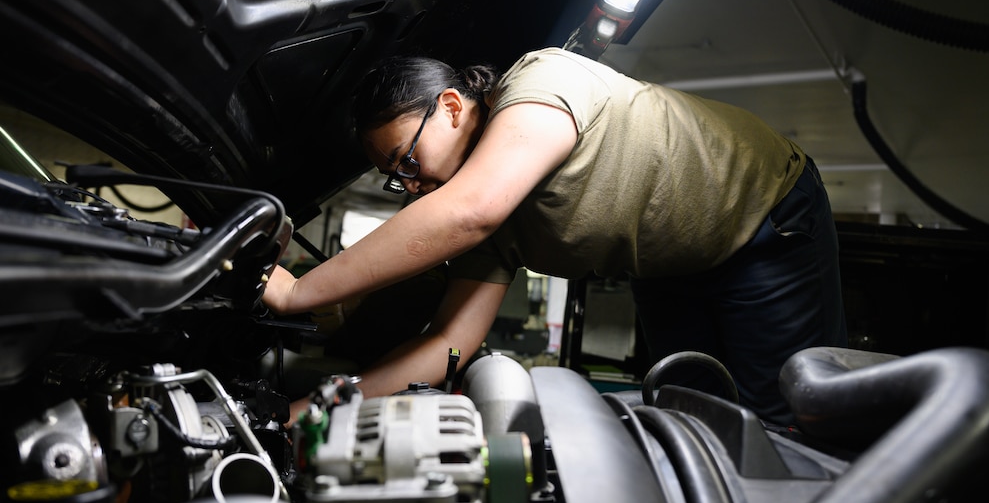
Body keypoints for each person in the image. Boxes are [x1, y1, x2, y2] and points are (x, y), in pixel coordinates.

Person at [261, 47, 847, 426]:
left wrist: (300, 292)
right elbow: (445, 343)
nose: (409, 185)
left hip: (766, 222)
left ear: (451, 106)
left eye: (407, 160)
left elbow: (472, 211)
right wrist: (307, 413)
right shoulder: (487, 221)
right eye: (395, 179)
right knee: (690, 422)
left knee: (786, 422)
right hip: (669, 272)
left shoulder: (538, 83)